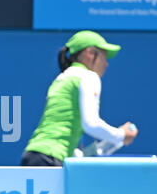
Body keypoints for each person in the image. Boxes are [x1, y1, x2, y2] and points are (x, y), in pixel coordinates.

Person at [21, 30, 138, 166]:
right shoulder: (88, 76)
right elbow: (91, 124)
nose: (106, 64)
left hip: (33, 155)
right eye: (104, 56)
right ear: (90, 53)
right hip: (50, 159)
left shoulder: (61, 79)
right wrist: (122, 136)